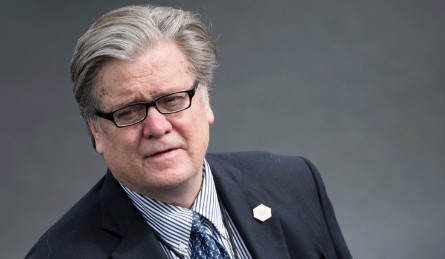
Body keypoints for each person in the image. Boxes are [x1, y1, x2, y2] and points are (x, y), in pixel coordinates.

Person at [26, 5, 352, 259]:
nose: (156, 127)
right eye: (128, 111)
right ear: (96, 130)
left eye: (173, 100)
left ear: (205, 100)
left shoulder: (295, 184)